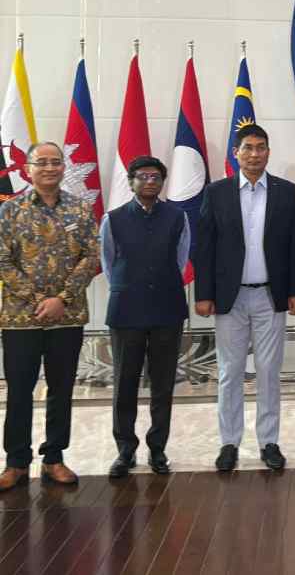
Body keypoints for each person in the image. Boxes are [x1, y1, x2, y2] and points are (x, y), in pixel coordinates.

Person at [194, 124, 295, 472]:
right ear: (236, 154)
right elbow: (205, 247)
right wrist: (204, 293)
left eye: (261, 148)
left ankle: (268, 441)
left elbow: (294, 246)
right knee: (230, 372)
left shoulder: (288, 193)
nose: (254, 154)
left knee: (270, 371)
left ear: (268, 152)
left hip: (271, 296)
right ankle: (229, 442)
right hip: (230, 298)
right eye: (248, 148)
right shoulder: (217, 193)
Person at [0, 141, 99, 490]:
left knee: (61, 389)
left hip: (67, 317)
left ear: (63, 168)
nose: (49, 168)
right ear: (27, 169)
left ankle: (54, 458)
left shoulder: (81, 210)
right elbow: (2, 260)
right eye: (41, 162)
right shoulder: (8, 212)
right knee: (20, 390)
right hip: (19, 319)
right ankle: (16, 462)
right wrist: (39, 298)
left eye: (56, 162)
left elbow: (92, 257)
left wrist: (62, 299)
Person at [100, 156, 190, 478]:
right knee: (124, 383)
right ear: (131, 181)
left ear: (163, 182)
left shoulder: (177, 217)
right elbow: (109, 262)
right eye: (143, 176)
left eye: (156, 176)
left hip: (167, 308)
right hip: (127, 310)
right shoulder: (113, 219)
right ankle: (125, 450)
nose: (150, 181)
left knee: (163, 384)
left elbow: (180, 260)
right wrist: (131, 288)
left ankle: (158, 448)